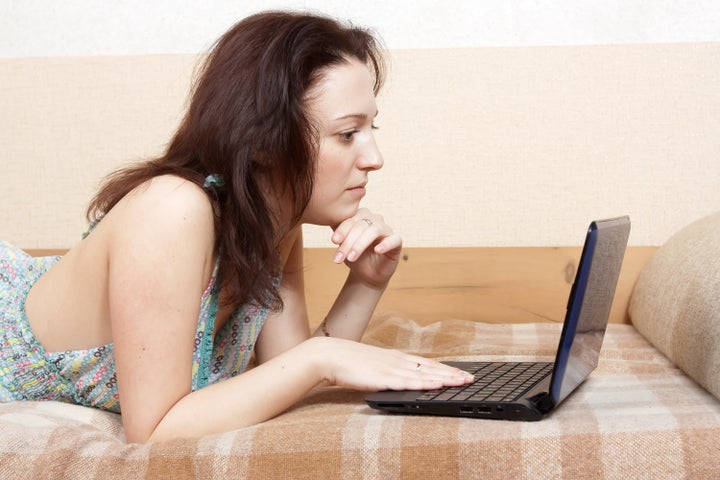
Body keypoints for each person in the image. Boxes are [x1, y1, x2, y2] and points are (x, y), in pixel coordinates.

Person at [0, 11, 473, 443]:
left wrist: (367, 282)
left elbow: (286, 371)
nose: (374, 158)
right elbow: (154, 429)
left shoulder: (274, 218)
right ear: (266, 142)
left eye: (372, 131)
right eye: (347, 134)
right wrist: (318, 361)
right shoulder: (170, 209)